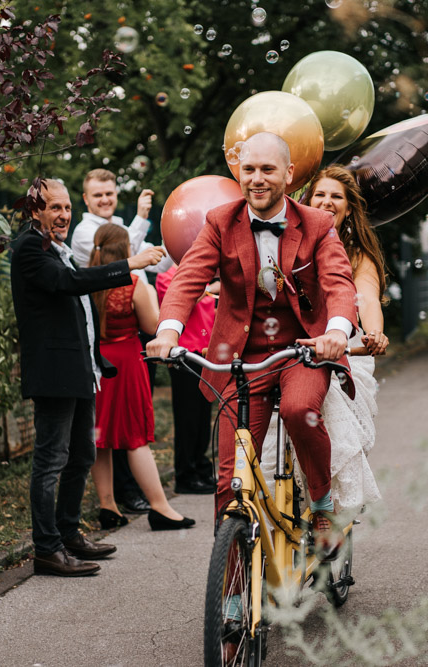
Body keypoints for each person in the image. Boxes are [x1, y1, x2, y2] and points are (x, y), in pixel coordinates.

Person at [147, 132, 358, 558]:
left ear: (289, 173)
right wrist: (168, 331)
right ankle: (233, 590)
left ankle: (320, 503)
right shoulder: (221, 221)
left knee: (301, 411)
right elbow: (188, 278)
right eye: (249, 170)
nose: (257, 179)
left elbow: (338, 282)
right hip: (242, 359)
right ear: (238, 173)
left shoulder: (316, 224)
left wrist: (336, 330)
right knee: (229, 478)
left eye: (267, 169)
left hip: (304, 350)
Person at [10, 178, 164, 577]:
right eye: (54, 208)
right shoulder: (30, 247)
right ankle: (47, 549)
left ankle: (69, 534)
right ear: (35, 211)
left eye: (65, 208)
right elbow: (69, 284)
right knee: (51, 461)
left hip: (81, 370)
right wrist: (129, 265)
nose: (63, 215)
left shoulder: (57, 248)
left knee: (80, 455)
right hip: (54, 373)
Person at [262, 165, 387, 513]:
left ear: (348, 208)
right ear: (307, 198)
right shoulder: (285, 240)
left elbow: (366, 298)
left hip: (343, 347)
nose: (328, 202)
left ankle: (327, 503)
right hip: (291, 344)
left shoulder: (358, 255)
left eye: (337, 197)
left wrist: (375, 332)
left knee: (323, 402)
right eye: (321, 194)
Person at [71, 168, 172, 514]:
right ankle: (150, 501)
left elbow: (154, 256)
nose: (104, 199)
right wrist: (142, 218)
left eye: (109, 193)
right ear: (85, 198)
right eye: (97, 194)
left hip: (109, 346)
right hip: (123, 348)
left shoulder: (113, 237)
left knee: (104, 432)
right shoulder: (88, 233)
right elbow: (129, 255)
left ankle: (111, 503)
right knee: (129, 432)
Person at [89, 224, 194, 531]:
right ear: (125, 251)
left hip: (97, 364)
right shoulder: (133, 282)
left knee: (100, 438)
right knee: (136, 436)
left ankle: (107, 505)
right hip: (126, 363)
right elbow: (152, 325)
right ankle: (160, 506)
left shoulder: (88, 281)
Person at [156, 265, 217, 496]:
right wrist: (212, 287)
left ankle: (200, 467)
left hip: (204, 353)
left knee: (203, 415)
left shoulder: (206, 276)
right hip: (183, 354)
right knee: (187, 416)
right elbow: (184, 298)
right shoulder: (166, 278)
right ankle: (185, 473)